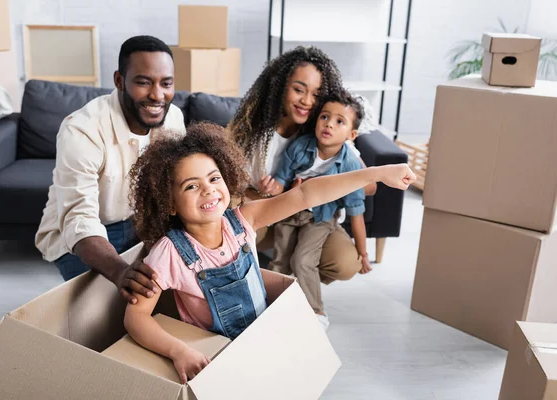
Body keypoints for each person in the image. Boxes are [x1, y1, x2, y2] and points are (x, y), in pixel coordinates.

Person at [124, 121, 416, 383]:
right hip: (218, 359)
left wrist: (379, 173)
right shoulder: (169, 253)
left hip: (265, 339)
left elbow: (306, 194)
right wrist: (179, 351)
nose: (209, 191)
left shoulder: (242, 221)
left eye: (214, 179)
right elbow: (135, 317)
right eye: (191, 186)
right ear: (170, 204)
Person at [227, 46, 376, 327]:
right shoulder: (253, 126)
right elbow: (228, 183)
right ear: (281, 86)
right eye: (299, 89)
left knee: (344, 262)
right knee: (242, 236)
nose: (307, 101)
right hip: (265, 214)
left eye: (316, 95)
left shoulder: (325, 131)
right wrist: (269, 192)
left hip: (315, 217)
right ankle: (260, 297)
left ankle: (306, 298)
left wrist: (316, 187)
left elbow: (368, 187)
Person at [35, 35, 186, 304]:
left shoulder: (173, 118)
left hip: (140, 222)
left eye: (166, 83)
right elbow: (79, 218)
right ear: (119, 81)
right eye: (143, 82)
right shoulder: (82, 130)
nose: (157, 95)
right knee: (103, 308)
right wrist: (119, 272)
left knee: (166, 295)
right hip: (84, 233)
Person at [266, 89, 371, 331]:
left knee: (303, 259)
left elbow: (357, 214)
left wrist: (363, 253)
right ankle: (272, 309)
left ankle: (316, 311)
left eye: (339, 121)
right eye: (324, 117)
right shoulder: (300, 147)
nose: (329, 125)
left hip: (320, 218)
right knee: (279, 262)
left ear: (351, 134)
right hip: (290, 210)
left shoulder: (351, 165)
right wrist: (271, 188)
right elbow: (280, 182)